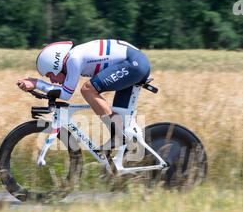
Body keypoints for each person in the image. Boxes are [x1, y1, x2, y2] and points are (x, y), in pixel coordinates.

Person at [17, 39, 151, 149]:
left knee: (87, 89)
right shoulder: (73, 57)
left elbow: (65, 94)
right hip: (135, 63)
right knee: (122, 118)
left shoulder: (73, 59)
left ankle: (119, 135)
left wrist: (37, 84)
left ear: (56, 65)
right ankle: (130, 150)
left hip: (134, 64)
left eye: (50, 75)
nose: (51, 80)